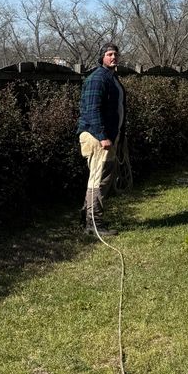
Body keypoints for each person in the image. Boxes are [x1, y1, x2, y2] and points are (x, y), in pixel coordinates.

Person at [77, 43, 126, 236]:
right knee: (98, 180)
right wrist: (103, 136)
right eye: (109, 54)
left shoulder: (111, 78)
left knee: (102, 177)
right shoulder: (97, 78)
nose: (113, 57)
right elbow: (92, 110)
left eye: (115, 54)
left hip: (109, 137)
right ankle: (93, 223)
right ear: (102, 57)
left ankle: (86, 217)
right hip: (97, 138)